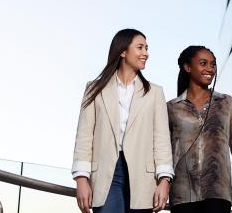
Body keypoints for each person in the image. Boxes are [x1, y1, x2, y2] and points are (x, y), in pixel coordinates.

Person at [71, 29, 174, 213]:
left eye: (147, 48)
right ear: (123, 51)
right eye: (140, 47)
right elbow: (84, 136)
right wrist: (81, 179)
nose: (146, 54)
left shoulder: (155, 93)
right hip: (106, 173)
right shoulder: (95, 89)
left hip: (144, 177)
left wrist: (164, 180)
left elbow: (162, 140)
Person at [167, 46, 232, 213]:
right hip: (182, 194)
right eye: (203, 63)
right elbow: (163, 152)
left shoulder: (225, 103)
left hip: (218, 193)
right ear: (187, 67)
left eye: (213, 64)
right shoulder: (172, 108)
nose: (210, 69)